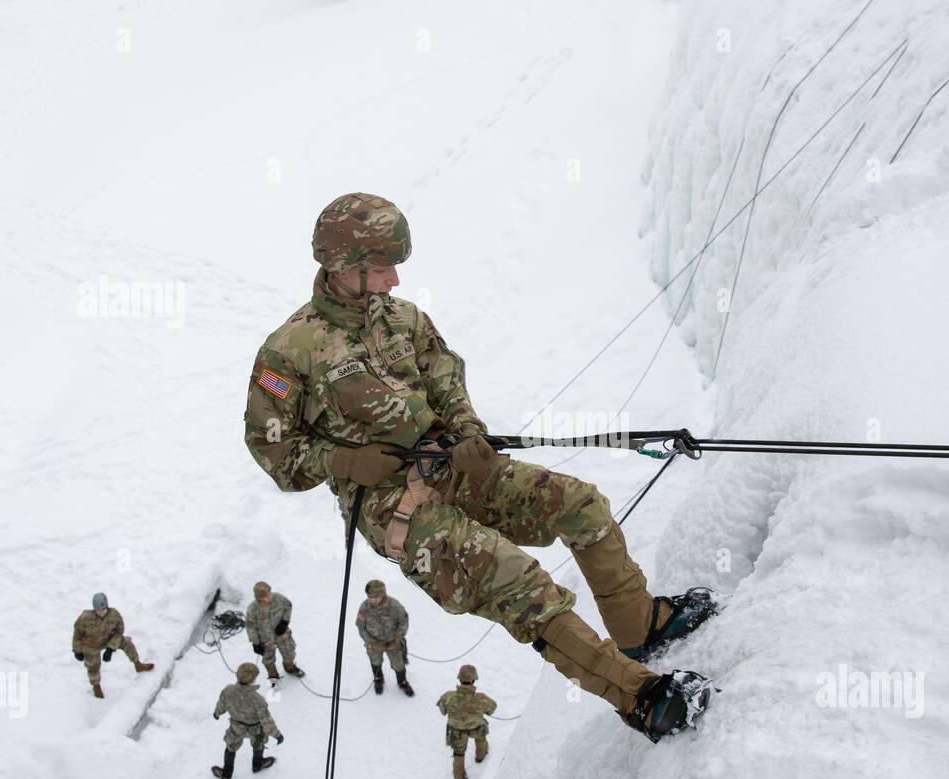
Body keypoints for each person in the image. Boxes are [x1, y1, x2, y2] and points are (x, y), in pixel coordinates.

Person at [243, 193, 715, 741]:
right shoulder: (288, 352)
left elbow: (447, 381)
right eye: (382, 268)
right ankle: (639, 696)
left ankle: (640, 625)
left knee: (580, 504)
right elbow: (272, 450)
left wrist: (468, 433)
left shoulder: (405, 320)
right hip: (389, 506)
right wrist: (342, 460)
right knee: (517, 582)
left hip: (451, 465)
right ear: (341, 266)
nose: (395, 280)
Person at [211, 662, 283, 779]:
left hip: (236, 727)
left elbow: (221, 704)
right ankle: (257, 765)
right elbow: (266, 721)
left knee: (231, 747)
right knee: (258, 745)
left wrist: (217, 713)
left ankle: (226, 775)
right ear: (253, 679)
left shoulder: (228, 690)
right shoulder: (257, 700)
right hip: (255, 730)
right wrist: (277, 734)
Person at [71, 593, 154, 698]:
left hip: (108, 640)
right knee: (93, 666)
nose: (101, 612)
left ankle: (138, 664)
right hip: (90, 645)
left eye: (103, 609)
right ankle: (96, 686)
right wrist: (77, 651)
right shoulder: (85, 617)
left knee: (127, 642)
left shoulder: (114, 615)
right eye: (98, 610)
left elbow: (119, 632)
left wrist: (110, 648)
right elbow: (77, 634)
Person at [436, 665, 496, 779]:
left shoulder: (449, 696)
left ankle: (460, 777)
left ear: (459, 678)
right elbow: (492, 708)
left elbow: (442, 711)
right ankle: (480, 756)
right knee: (481, 742)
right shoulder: (480, 698)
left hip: (456, 731)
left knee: (459, 753)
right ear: (474, 680)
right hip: (477, 728)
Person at [355, 579, 412, 696]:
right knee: (375, 662)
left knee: (399, 664)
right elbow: (361, 627)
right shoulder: (364, 608)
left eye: (375, 597)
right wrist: (372, 642)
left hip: (393, 643)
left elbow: (404, 620)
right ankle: (378, 680)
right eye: (370, 597)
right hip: (374, 644)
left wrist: (398, 637)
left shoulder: (394, 605)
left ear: (382, 595)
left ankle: (402, 682)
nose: (372, 600)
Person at [244, 581, 305, 680]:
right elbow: (250, 628)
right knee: (268, 660)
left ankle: (289, 668)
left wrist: (284, 622)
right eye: (266, 596)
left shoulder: (278, 598)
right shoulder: (252, 609)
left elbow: (288, 606)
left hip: (281, 634)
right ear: (259, 598)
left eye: (269, 593)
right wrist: (255, 643)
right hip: (265, 639)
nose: (270, 596)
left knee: (289, 652)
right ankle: (273, 678)